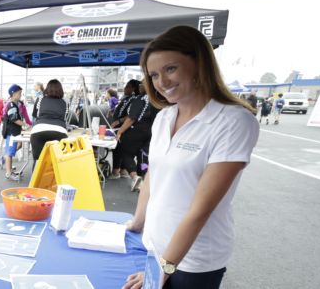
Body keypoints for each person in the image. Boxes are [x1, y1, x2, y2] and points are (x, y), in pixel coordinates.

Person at [123, 26, 259, 289]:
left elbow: (200, 210)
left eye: (171, 69)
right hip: (154, 246)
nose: (161, 82)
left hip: (194, 261)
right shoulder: (164, 117)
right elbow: (153, 175)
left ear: (199, 64)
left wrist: (163, 269)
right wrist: (138, 221)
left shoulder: (233, 121)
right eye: (153, 75)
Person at [115, 81, 159, 192]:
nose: (140, 86)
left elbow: (131, 118)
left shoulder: (141, 99)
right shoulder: (156, 99)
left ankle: (135, 177)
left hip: (136, 130)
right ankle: (144, 179)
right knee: (143, 156)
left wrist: (120, 131)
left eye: (142, 84)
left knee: (125, 151)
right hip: (150, 131)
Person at [109, 79, 142, 179]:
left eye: (127, 86)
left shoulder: (134, 99)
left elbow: (130, 116)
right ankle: (123, 170)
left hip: (125, 127)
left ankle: (117, 171)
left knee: (119, 148)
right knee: (121, 148)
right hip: (122, 126)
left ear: (133, 89)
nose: (124, 88)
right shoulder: (128, 98)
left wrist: (118, 122)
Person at [30, 79, 69, 163]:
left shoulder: (41, 99)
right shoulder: (64, 102)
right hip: (59, 132)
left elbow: (36, 115)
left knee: (38, 161)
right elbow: (64, 119)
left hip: (38, 131)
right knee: (58, 162)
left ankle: (36, 176)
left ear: (47, 88)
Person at [3, 84, 27, 180]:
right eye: (19, 93)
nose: (20, 95)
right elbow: (14, 119)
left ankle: (9, 167)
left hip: (14, 132)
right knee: (9, 153)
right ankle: (9, 173)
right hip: (11, 132)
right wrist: (25, 124)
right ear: (13, 94)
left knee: (13, 150)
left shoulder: (15, 103)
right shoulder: (11, 104)